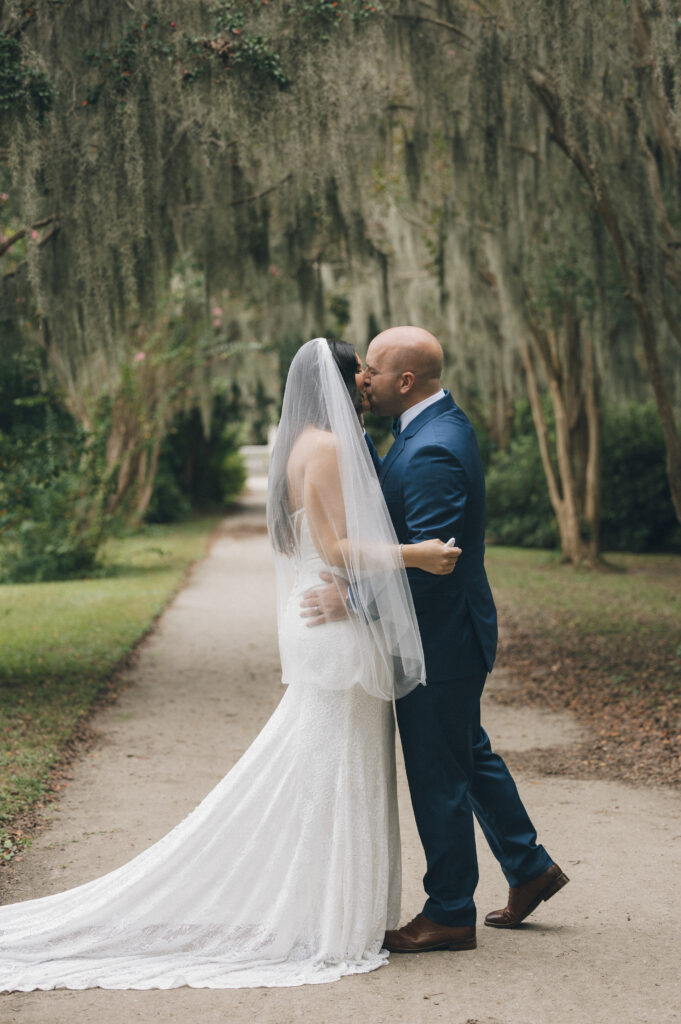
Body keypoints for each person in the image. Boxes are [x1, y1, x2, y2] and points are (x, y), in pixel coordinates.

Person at [0, 337, 457, 992]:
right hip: (333, 633)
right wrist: (421, 554)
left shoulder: (303, 442)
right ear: (333, 382)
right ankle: (332, 924)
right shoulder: (326, 448)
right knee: (337, 774)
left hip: (325, 624)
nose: (364, 381)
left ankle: (331, 915)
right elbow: (336, 547)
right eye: (356, 371)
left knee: (329, 771)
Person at [302, 326, 568, 954]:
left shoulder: (430, 450)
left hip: (439, 637)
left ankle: (449, 912)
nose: (360, 378)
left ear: (405, 382)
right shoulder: (427, 428)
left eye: (370, 368)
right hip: (443, 632)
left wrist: (353, 599)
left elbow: (434, 565)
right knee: (464, 751)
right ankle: (530, 869)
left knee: (436, 772)